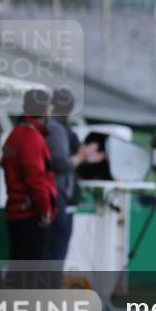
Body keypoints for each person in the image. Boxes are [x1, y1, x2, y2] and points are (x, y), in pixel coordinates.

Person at [1, 89, 57, 262]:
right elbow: (35, 179)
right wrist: (45, 211)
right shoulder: (31, 138)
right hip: (30, 216)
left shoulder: (14, 135)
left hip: (16, 213)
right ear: (46, 111)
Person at [44, 88, 95, 262]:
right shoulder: (55, 128)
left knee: (54, 248)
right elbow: (61, 163)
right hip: (57, 197)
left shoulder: (58, 128)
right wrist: (82, 156)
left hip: (59, 198)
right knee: (55, 249)